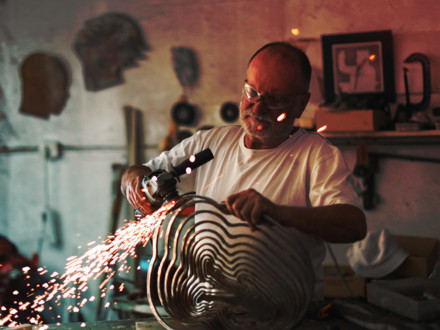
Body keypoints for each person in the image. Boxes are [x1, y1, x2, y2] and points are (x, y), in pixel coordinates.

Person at [121, 41, 367, 301]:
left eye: (276, 100)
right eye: (252, 93)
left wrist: (276, 213)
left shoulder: (317, 155)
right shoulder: (210, 144)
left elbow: (353, 225)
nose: (258, 108)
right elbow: (142, 172)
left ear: (301, 104)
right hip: (208, 313)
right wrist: (134, 181)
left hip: (285, 316)